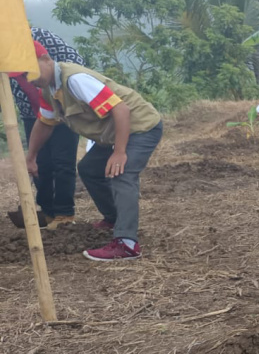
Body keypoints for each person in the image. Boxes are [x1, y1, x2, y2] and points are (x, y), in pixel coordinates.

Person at [27, 41, 163, 261]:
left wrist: (119, 152)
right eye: (24, 74)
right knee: (89, 168)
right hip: (112, 133)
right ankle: (114, 218)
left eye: (30, 69)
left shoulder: (74, 80)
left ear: (46, 59)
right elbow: (44, 123)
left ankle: (127, 243)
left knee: (121, 172)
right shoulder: (49, 90)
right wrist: (31, 157)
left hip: (140, 127)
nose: (29, 77)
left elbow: (121, 109)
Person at [8, 28, 84, 229]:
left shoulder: (40, 37)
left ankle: (64, 213)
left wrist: (60, 91)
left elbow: (74, 61)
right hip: (32, 113)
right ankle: (48, 211)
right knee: (40, 163)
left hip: (61, 108)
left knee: (62, 161)